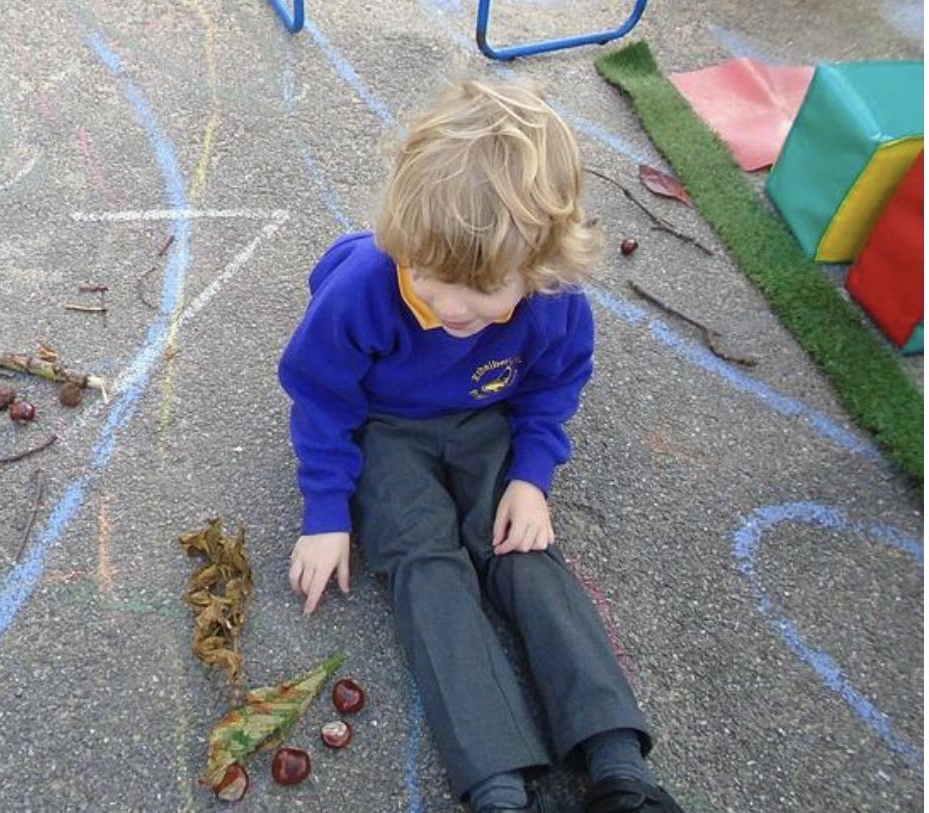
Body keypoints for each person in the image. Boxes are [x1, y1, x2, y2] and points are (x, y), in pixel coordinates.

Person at [279, 78, 685, 813]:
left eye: (483, 289)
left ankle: (617, 761)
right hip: (385, 429)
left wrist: (531, 476)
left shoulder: (553, 299)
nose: (451, 306)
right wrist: (327, 512)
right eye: (430, 278)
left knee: (523, 552)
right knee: (423, 561)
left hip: (485, 419)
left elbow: (553, 386)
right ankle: (497, 785)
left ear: (541, 264)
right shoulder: (364, 285)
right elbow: (322, 398)